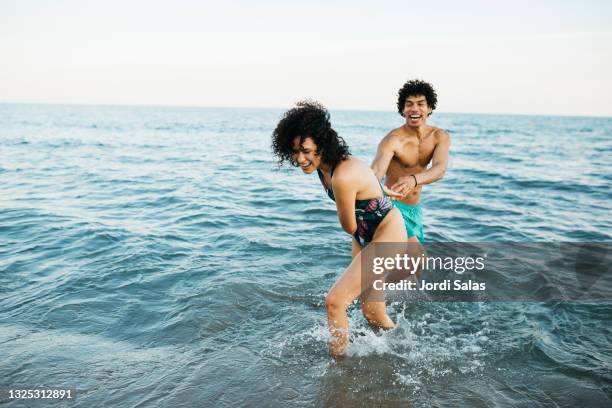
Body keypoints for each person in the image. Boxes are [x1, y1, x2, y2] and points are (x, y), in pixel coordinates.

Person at [272, 101, 407, 358]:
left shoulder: (341, 176)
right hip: (369, 234)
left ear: (322, 144)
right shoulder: (325, 168)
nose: (300, 159)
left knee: (334, 302)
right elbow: (365, 195)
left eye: (306, 151)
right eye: (295, 151)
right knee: (373, 314)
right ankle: (405, 349)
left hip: (386, 235)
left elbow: (349, 226)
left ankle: (338, 372)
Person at [371, 79, 451, 243]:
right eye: (409, 104)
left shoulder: (439, 137)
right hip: (391, 207)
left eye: (421, 104)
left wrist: (413, 180)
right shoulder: (392, 140)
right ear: (403, 109)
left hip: (414, 211)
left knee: (408, 267)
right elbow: (375, 174)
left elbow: (440, 169)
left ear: (429, 108)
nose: (415, 109)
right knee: (416, 258)